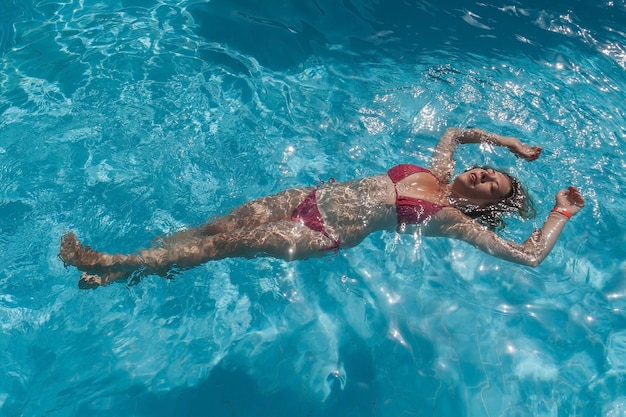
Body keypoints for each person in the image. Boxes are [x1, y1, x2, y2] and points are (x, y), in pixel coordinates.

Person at [59, 127, 585, 289]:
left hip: (319, 234)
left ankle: (107, 264)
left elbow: (528, 255)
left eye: (491, 185)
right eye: (489, 168)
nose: (483, 173)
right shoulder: (441, 170)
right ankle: (126, 268)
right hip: (306, 196)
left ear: (484, 204)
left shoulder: (450, 220)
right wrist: (511, 144)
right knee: (211, 226)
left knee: (218, 247)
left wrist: (558, 212)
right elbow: (456, 131)